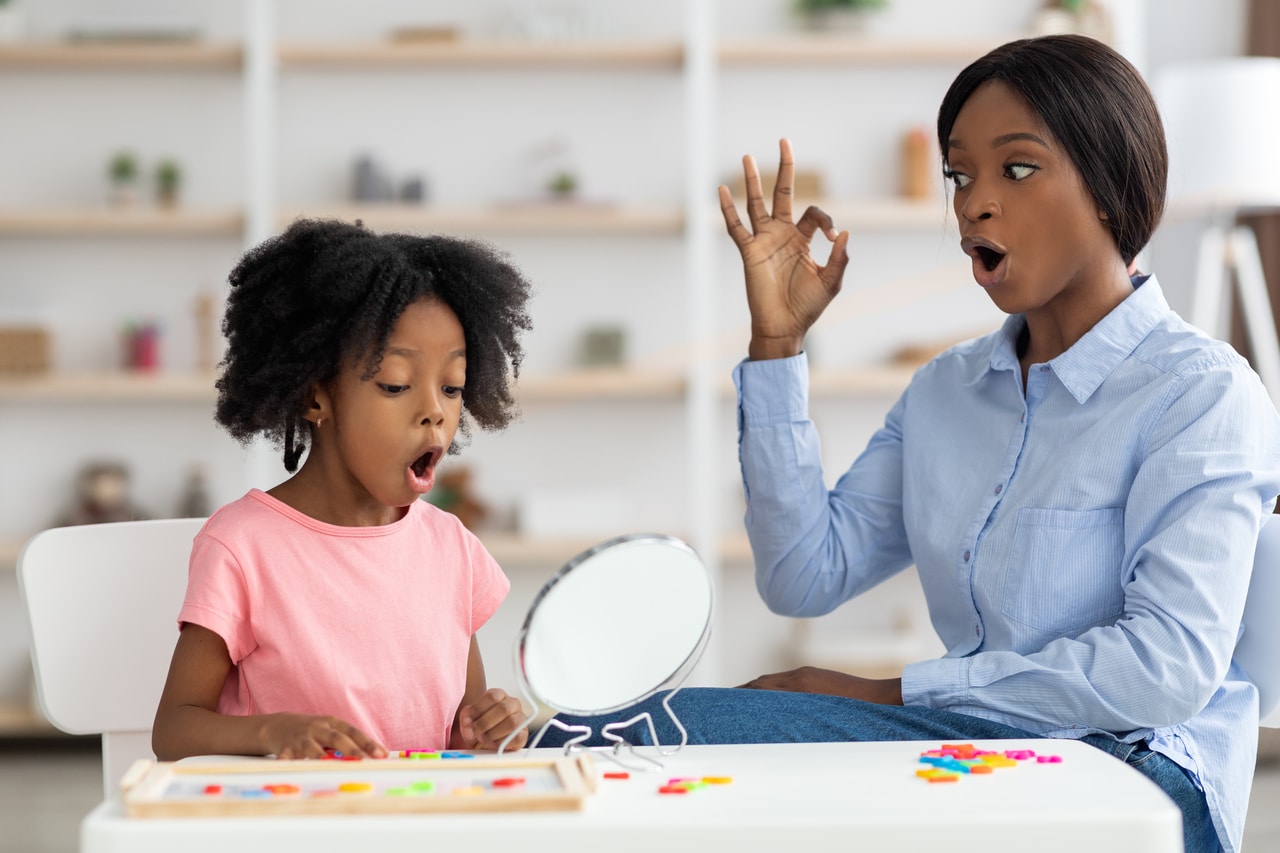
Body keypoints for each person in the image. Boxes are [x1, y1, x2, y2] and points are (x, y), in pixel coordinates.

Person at [542, 35, 1280, 853]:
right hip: (976, 746)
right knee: (605, 737)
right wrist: (777, 346)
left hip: (1140, 768)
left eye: (1017, 169)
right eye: (960, 176)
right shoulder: (945, 392)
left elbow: (1164, 670)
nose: (973, 204)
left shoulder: (1201, 391)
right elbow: (802, 574)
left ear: (1108, 187)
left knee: (675, 741)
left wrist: (883, 693)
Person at [152, 218, 534, 761]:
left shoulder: (453, 548)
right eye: (396, 385)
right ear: (315, 398)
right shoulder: (242, 547)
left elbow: (454, 737)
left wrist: (483, 733)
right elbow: (173, 730)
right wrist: (272, 732)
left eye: (452, 387)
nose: (434, 411)